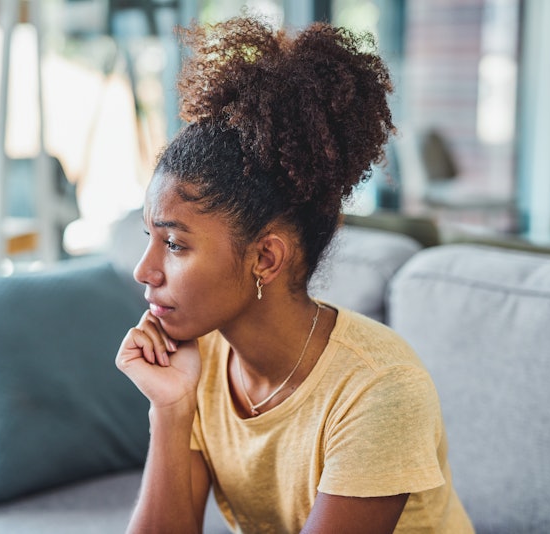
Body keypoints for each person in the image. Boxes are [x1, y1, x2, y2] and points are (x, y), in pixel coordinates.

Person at [115, 15, 474, 534]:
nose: (143, 270)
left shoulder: (379, 388)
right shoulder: (203, 359)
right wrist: (169, 411)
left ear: (265, 258)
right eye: (150, 238)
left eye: (174, 243)